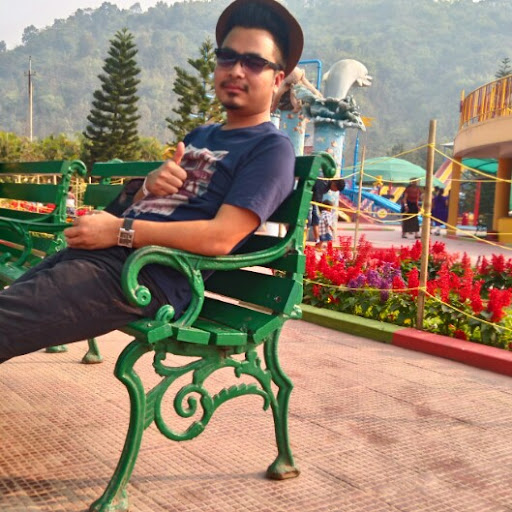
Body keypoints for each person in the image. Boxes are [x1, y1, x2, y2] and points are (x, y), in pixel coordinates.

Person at [0, 0, 304, 363]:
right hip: (107, 259)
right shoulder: (200, 136)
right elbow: (152, 207)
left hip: (148, 276)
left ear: (277, 79)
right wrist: (148, 187)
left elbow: (221, 237)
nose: (236, 70)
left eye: (253, 62)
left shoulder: (271, 149)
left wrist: (120, 231)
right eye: (227, 57)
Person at [310, 178, 345, 243]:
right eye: (336, 189)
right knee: (312, 219)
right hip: (311, 201)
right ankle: (317, 240)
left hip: (313, 201)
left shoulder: (326, 187)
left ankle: (318, 240)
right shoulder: (323, 184)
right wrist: (323, 209)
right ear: (334, 184)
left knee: (316, 220)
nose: (335, 191)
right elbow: (318, 198)